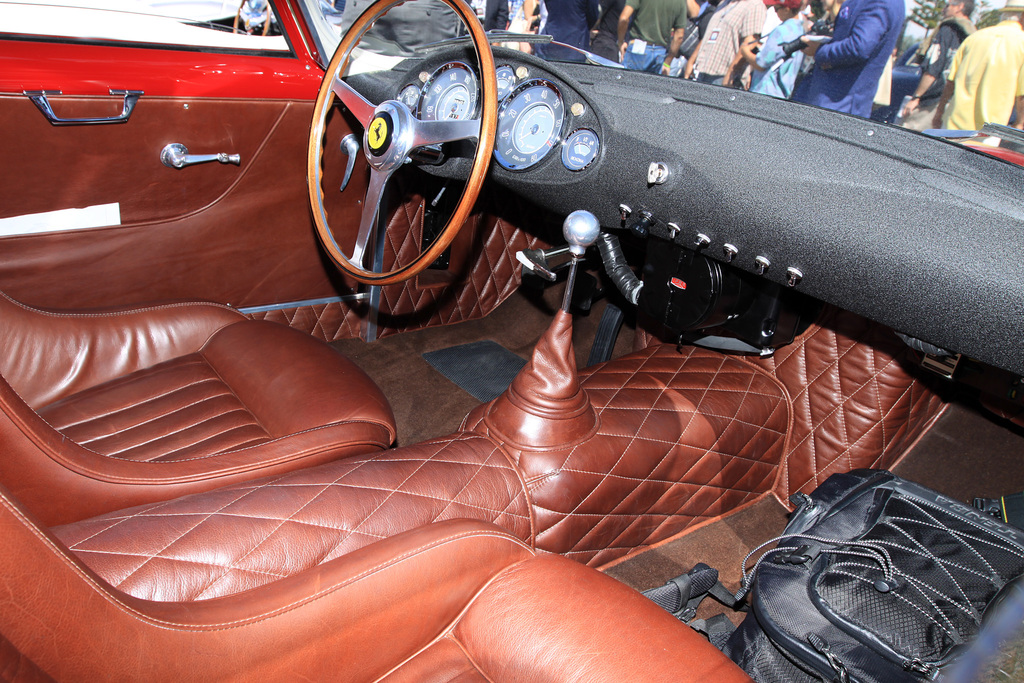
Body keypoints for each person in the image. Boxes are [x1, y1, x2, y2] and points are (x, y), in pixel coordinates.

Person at [790, 0, 903, 117]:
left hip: (837, 106)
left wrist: (819, 50)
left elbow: (859, 46)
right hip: (830, 100)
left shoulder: (879, 2)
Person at [933, 0, 1024, 131]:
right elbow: (1022, 95)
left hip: (952, 125)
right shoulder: (1021, 43)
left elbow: (950, 81)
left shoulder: (975, 37)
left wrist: (939, 112)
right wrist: (1019, 124)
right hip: (990, 130)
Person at [900, 0, 976, 131]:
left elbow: (934, 66)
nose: (943, 9)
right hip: (954, 103)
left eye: (947, 5)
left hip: (931, 101)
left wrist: (916, 97)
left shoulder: (948, 29)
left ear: (960, 7)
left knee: (907, 139)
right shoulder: (973, 36)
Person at [687, 0, 766, 85]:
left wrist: (730, 75)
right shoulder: (723, 4)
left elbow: (750, 43)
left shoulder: (755, 5)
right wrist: (691, 61)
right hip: (703, 71)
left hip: (724, 76)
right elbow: (709, 34)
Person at [617, 0, 694, 74]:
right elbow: (679, 36)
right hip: (660, 52)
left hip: (638, 47)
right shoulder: (680, 2)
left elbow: (624, 18)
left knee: (626, 84)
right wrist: (667, 62)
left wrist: (621, 42)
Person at [748, 0, 806, 98]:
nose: (775, 12)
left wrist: (745, 51)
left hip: (765, 91)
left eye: (776, 8)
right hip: (782, 93)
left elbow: (761, 63)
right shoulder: (801, 31)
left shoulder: (781, 31)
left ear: (787, 10)